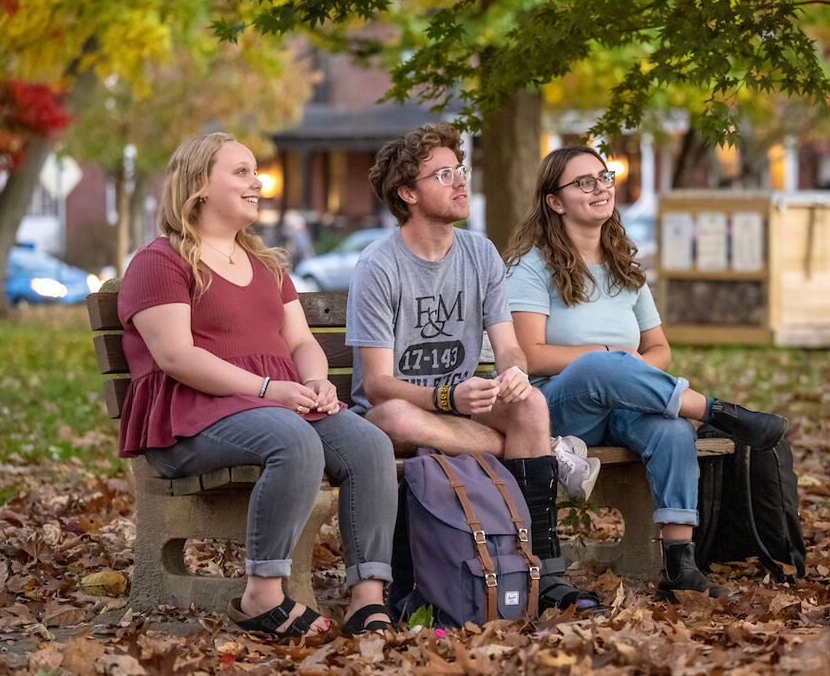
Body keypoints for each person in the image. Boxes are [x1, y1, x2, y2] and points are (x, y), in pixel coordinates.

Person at [117, 132, 397, 638]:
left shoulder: (267, 264)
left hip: (275, 406)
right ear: (200, 185)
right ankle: (262, 596)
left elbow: (302, 341)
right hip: (191, 419)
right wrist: (270, 390)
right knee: (291, 438)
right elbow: (177, 357)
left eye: (256, 172)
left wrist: (315, 381)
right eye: (241, 172)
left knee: (370, 444)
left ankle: (367, 598)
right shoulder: (160, 262)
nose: (257, 182)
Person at [502, 146, 789, 599]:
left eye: (604, 177)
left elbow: (658, 350)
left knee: (672, 429)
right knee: (601, 365)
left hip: (620, 405)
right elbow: (531, 356)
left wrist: (624, 364)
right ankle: (716, 411)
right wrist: (610, 355)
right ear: (554, 201)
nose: (600, 188)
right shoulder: (531, 268)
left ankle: (679, 565)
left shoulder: (625, 271)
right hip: (555, 411)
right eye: (584, 182)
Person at [347, 122, 601, 614]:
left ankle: (544, 571)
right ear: (408, 193)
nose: (461, 181)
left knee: (529, 402)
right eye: (442, 174)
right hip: (393, 417)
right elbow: (377, 386)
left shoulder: (481, 253)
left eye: (459, 169)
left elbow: (508, 346)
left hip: (463, 411)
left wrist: (513, 373)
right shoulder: (379, 265)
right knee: (398, 418)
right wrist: (448, 398)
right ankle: (545, 450)